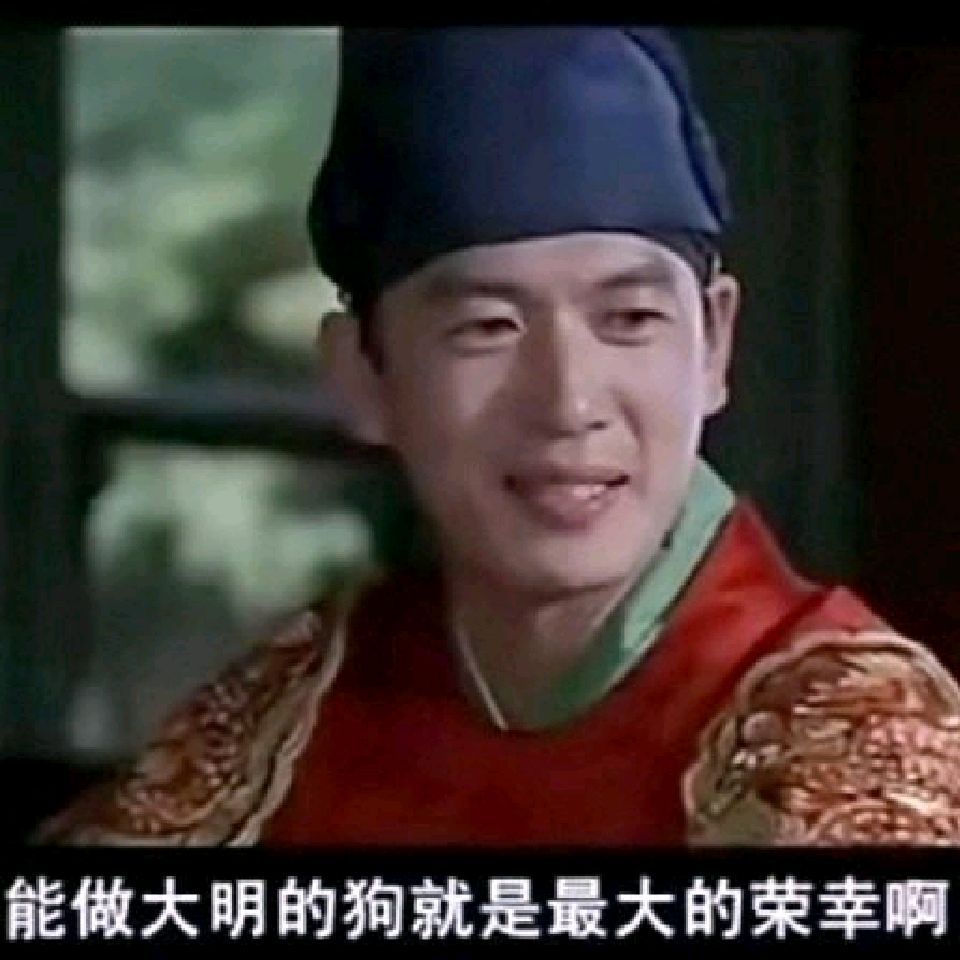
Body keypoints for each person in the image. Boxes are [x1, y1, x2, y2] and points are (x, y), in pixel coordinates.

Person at [38, 27, 960, 847]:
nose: (568, 402)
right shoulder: (298, 703)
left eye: (630, 319)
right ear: (362, 375)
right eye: (487, 327)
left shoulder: (852, 742)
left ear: (714, 344)